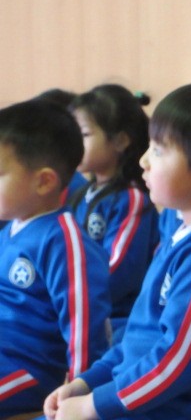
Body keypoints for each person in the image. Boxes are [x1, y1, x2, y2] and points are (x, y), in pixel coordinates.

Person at [43, 80, 191, 420]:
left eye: (158, 150)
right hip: (139, 404)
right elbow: (138, 338)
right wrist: (86, 382)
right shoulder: (182, 235)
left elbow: (179, 361)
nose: (143, 161)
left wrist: (94, 405)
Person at [0, 99, 110, 418]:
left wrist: (77, 390)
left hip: (29, 369)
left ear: (44, 181)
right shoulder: (11, 228)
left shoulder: (63, 240)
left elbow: (84, 324)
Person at [67, 84, 160, 343]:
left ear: (120, 141)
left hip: (115, 319)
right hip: (79, 306)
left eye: (84, 134)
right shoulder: (81, 195)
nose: (72, 144)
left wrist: (71, 294)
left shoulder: (131, 199)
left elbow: (118, 271)